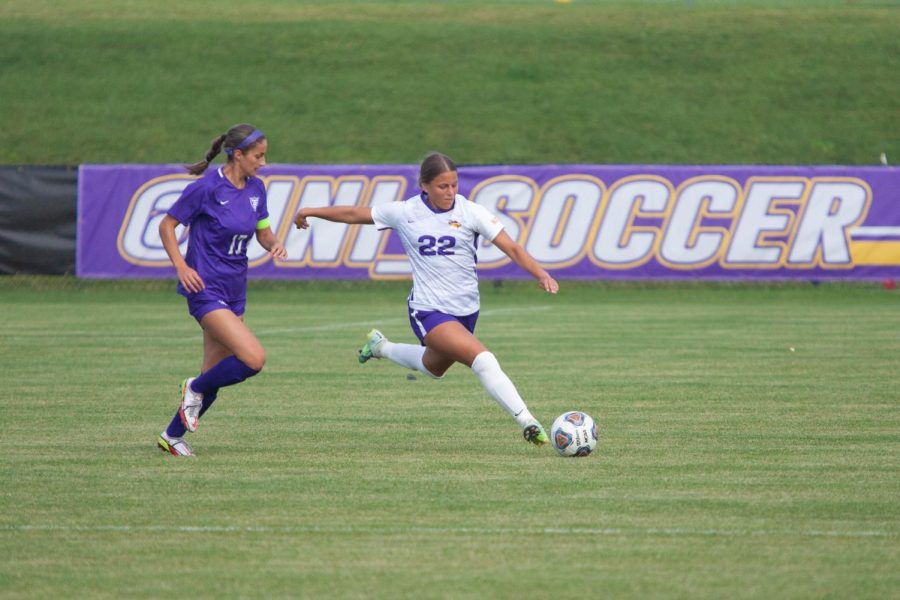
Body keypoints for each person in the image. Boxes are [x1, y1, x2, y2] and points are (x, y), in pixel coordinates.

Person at [293, 152, 559, 445]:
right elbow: (354, 214)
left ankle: (381, 346)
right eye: (443, 186)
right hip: (428, 309)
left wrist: (541, 273)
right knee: (484, 360)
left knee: (434, 368)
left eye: (454, 185)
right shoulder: (405, 212)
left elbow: (513, 248)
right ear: (424, 186)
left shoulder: (471, 212)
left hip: (467, 310)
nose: (450, 192)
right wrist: (310, 210)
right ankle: (528, 422)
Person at [156, 123, 287, 456]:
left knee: (213, 373)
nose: (264, 162)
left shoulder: (257, 188)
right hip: (205, 287)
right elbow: (167, 224)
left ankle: (171, 436)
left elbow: (262, 232)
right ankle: (192, 387)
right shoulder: (207, 188)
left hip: (235, 290)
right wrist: (182, 267)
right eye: (258, 155)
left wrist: (274, 244)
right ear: (237, 154)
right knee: (252, 359)